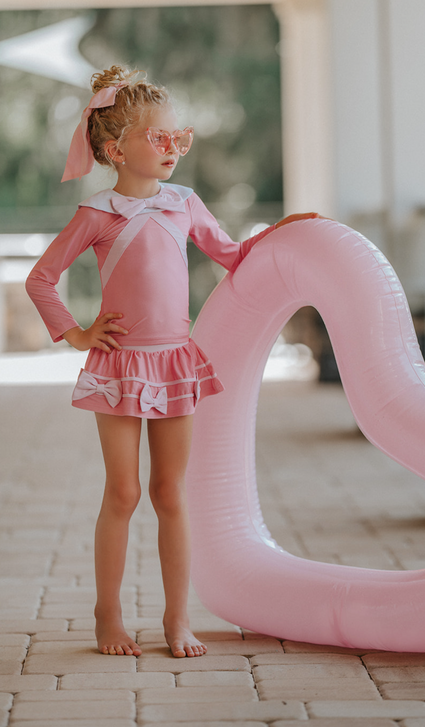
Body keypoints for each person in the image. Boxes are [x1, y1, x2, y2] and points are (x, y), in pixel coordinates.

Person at [26, 65, 320, 659]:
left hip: (174, 363)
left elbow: (232, 255)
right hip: (118, 366)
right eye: (156, 138)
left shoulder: (185, 203)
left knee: (170, 493)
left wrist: (280, 235)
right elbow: (42, 278)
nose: (171, 149)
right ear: (115, 148)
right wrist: (77, 334)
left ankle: (177, 620)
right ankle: (108, 616)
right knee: (124, 493)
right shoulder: (99, 213)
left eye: (175, 137)